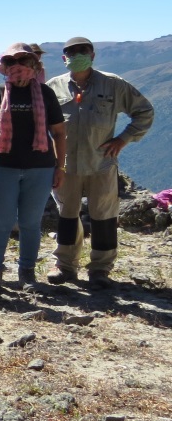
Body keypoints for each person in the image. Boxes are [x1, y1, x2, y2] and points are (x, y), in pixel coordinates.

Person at [46, 37, 153, 288]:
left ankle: (100, 268)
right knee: (67, 215)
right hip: (66, 164)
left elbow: (144, 111)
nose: (77, 55)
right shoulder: (53, 87)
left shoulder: (113, 84)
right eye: (71, 52)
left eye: (82, 51)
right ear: (64, 59)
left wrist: (123, 139)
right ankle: (65, 265)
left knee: (104, 216)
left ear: (93, 55)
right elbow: (41, 123)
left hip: (102, 162)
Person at [0, 43, 66, 296]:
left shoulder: (46, 94)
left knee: (30, 222)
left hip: (40, 168)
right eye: (12, 61)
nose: (18, 66)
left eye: (23, 61)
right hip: (1, 167)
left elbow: (58, 132)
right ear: (4, 66)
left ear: (34, 65)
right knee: (0, 221)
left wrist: (61, 166)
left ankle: (27, 272)